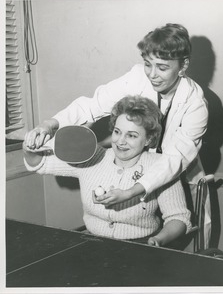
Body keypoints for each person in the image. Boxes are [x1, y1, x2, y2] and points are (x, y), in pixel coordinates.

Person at [24, 23, 210, 248]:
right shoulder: (136, 77)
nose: (152, 75)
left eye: (162, 67)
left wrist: (131, 192)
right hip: (135, 158)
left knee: (187, 239)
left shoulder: (196, 104)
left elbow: (172, 160)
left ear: (183, 66)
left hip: (179, 169)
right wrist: (49, 124)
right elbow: (92, 106)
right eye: (148, 64)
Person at [23, 96, 191, 247]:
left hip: (142, 245)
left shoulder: (163, 167)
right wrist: (29, 147)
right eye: (117, 132)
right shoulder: (92, 156)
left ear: (148, 139)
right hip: (92, 244)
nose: (121, 141)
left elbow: (178, 218)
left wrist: (158, 240)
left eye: (131, 135)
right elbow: (40, 162)